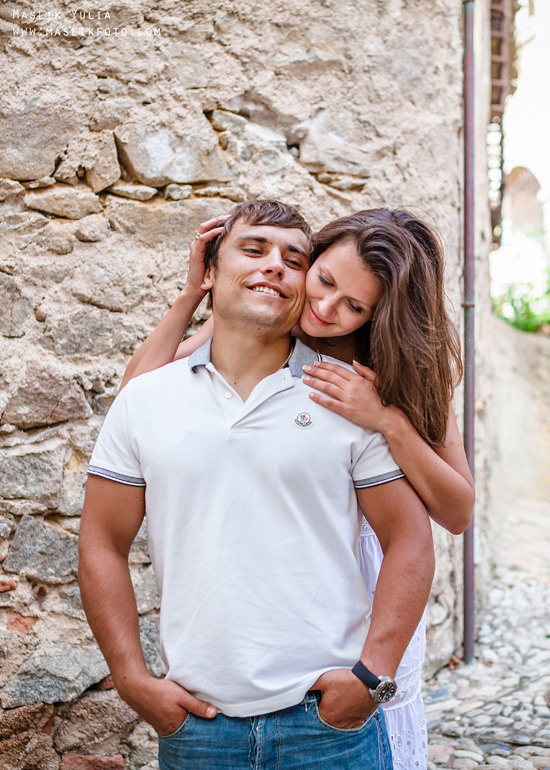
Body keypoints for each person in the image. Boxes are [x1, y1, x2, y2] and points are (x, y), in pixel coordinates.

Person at [79, 199, 436, 770]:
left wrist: (372, 677)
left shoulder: (347, 397)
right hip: (197, 724)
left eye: (295, 259)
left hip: (326, 723)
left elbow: (411, 538)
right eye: (253, 249)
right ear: (211, 272)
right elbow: (101, 541)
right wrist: (131, 679)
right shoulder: (146, 399)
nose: (274, 265)